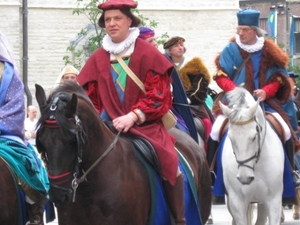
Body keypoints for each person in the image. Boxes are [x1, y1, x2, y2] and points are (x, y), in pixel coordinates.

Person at [76, 0, 186, 224]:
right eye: (108, 20)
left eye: (117, 18)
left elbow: (160, 96)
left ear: (129, 20)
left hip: (145, 125)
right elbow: (91, 98)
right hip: (107, 124)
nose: (112, 24)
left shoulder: (148, 53)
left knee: (170, 163)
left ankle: (179, 219)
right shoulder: (97, 58)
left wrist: (134, 116)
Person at [208, 8, 299, 203]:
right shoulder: (230, 50)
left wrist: (267, 91)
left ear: (256, 30)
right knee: (215, 131)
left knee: (286, 130)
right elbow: (220, 76)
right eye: (239, 28)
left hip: (265, 104)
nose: (240, 33)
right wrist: (236, 92)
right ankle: (210, 175)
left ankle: (292, 174)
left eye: (245, 29)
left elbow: (279, 78)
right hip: (235, 103)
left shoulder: (269, 50)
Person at [0, 30, 49, 225]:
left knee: (28, 164)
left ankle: (33, 213)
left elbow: (14, 107)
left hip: (3, 135)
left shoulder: (7, 73)